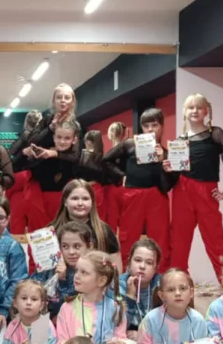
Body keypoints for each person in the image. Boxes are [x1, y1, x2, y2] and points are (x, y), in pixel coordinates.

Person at [167, 93, 223, 278]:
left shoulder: (215, 134)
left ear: (206, 111)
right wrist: (168, 169)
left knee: (216, 244)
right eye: (191, 107)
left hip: (206, 192)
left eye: (199, 107)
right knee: (178, 245)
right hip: (181, 192)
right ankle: (178, 286)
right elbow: (172, 177)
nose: (195, 111)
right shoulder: (179, 141)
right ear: (184, 112)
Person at [103, 107, 176, 273]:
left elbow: (167, 186)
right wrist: (121, 176)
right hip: (133, 195)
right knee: (128, 238)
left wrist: (162, 161)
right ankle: (125, 277)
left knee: (161, 240)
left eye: (154, 125)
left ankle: (160, 278)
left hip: (157, 197)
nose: (150, 129)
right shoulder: (130, 144)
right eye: (146, 125)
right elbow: (106, 160)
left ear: (162, 126)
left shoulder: (166, 153)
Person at [12, 120, 80, 230]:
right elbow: (15, 167)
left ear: (74, 140)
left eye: (67, 138)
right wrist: (24, 153)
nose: (62, 141)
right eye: (59, 137)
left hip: (64, 205)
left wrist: (56, 154)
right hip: (40, 205)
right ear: (54, 138)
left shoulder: (75, 157)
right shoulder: (43, 154)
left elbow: (77, 160)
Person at [32, 221, 95, 317]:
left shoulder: (93, 271)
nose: (71, 252)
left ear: (89, 246)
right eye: (65, 246)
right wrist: (46, 241)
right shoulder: (49, 267)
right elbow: (31, 293)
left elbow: (73, 306)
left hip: (77, 321)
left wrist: (62, 281)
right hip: (44, 319)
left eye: (77, 246)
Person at [51, 179, 120, 264]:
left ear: (92, 202)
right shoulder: (52, 231)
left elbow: (116, 267)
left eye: (85, 199)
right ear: (65, 201)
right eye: (75, 198)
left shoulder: (104, 231)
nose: (80, 203)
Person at [0, 279, 56, 344]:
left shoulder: (43, 324)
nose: (28, 302)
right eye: (24, 298)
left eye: (34, 299)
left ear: (41, 305)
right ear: (15, 303)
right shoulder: (13, 325)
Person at [6, 110, 44, 236]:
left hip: (19, 180)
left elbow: (11, 155)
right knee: (37, 219)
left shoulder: (24, 136)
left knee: (17, 219)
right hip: (31, 178)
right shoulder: (40, 137)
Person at [118, 239, 162, 330]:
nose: (142, 266)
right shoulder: (118, 285)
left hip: (152, 334)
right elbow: (117, 326)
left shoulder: (161, 285)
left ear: (156, 268)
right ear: (129, 262)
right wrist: (130, 297)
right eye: (138, 260)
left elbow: (166, 324)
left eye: (149, 263)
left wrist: (142, 334)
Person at [101, 121, 128, 228]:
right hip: (124, 187)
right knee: (124, 219)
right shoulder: (126, 150)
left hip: (113, 188)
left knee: (112, 218)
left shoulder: (114, 152)